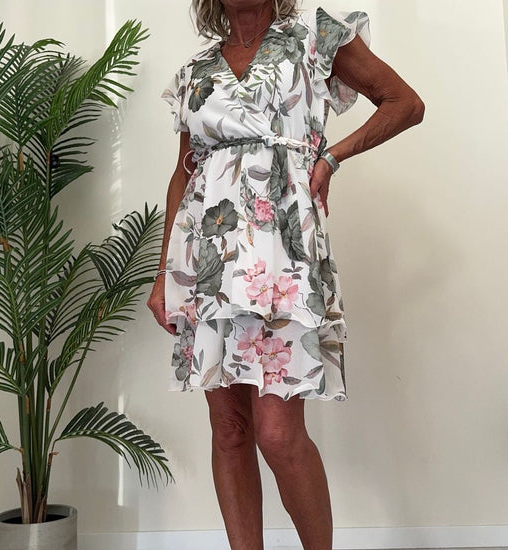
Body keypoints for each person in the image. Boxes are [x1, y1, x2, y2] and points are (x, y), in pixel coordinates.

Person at [147, 0, 424, 548]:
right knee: (229, 431)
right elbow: (183, 173)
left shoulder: (315, 37)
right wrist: (163, 275)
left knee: (277, 434)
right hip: (207, 262)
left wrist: (333, 156)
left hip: (283, 258)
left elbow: (405, 103)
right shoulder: (196, 71)